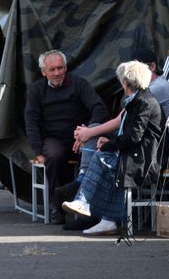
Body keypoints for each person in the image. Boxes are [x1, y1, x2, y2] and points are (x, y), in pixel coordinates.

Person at [55, 47, 169, 229]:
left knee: (104, 156)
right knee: (102, 149)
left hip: (149, 155)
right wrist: (105, 141)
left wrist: (107, 144)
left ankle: (88, 201)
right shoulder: (141, 98)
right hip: (141, 149)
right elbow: (130, 130)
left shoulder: (148, 97)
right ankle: (101, 213)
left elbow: (131, 134)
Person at [24, 49, 108, 220]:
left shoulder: (79, 84)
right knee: (53, 156)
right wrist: (38, 151)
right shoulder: (36, 90)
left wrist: (86, 131)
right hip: (53, 138)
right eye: (52, 70)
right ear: (43, 72)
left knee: (97, 153)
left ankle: (89, 207)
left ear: (66, 68)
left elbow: (99, 107)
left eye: (60, 68)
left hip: (80, 136)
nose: (57, 73)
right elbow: (31, 121)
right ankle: (58, 207)